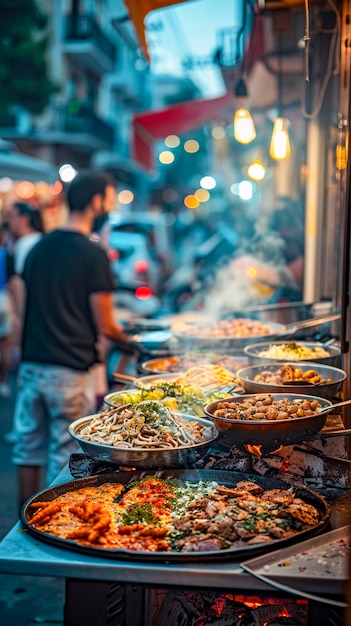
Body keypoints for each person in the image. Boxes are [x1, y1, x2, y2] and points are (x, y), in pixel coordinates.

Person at [11, 171, 132, 508]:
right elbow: (106, 324)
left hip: (33, 364)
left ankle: (25, 518)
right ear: (95, 202)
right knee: (64, 454)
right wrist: (135, 340)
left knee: (26, 448)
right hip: (69, 369)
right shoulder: (92, 254)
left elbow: (24, 304)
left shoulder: (38, 248)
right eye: (108, 200)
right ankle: (50, 522)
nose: (108, 206)